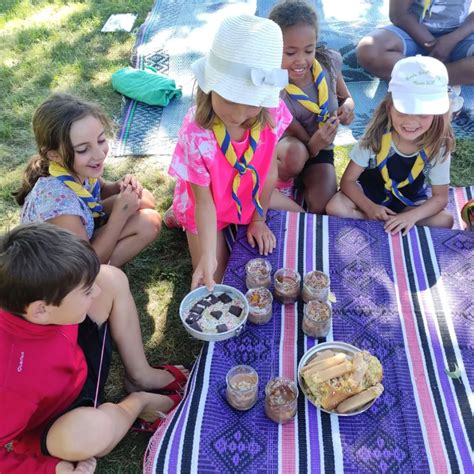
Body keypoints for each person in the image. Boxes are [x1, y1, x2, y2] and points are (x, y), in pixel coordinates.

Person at [0, 223, 188, 473]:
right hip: (59, 418)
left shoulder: (37, 305)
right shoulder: (9, 383)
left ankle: (140, 375)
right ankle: (138, 403)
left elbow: (98, 285)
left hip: (72, 357)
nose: (95, 291)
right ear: (40, 309)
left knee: (110, 277)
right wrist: (51, 469)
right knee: (86, 436)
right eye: (87, 291)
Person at [168, 14, 299, 290]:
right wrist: (207, 256)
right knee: (218, 280)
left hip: (247, 195)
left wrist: (259, 219)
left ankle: (183, 214)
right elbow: (203, 203)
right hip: (208, 206)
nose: (239, 115)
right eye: (229, 99)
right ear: (209, 86)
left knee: (300, 220)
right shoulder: (195, 133)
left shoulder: (271, 115)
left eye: (252, 103)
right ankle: (179, 214)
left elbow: (269, 170)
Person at [15, 93, 162, 267]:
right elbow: (86, 262)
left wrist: (120, 186)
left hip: (81, 237)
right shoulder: (58, 206)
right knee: (142, 222)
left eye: (101, 140)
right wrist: (120, 215)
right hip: (58, 272)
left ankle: (105, 267)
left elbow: (103, 189)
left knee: (146, 209)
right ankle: (102, 278)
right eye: (83, 149)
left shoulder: (74, 169)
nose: (99, 154)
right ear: (54, 155)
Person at [326, 55, 454, 235]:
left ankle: (392, 224)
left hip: (409, 204)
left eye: (423, 113)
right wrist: (369, 208)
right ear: (389, 107)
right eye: (403, 110)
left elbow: (440, 198)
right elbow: (348, 181)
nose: (411, 121)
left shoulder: (439, 146)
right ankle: (388, 225)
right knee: (336, 207)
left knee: (445, 220)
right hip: (369, 197)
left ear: (437, 113)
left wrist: (411, 217)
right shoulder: (374, 138)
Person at [268, 0, 355, 214]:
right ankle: (276, 184)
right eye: (290, 53)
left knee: (322, 206)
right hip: (287, 149)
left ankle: (302, 184)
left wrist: (348, 108)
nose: (301, 60)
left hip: (321, 148)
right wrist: (314, 144)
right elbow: (300, 140)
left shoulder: (328, 62)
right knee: (295, 156)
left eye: (309, 50)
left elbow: (346, 98)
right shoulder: (275, 87)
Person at [357, 0, 474, 87]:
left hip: (458, 36)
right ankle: (434, 81)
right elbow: (398, 14)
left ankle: (427, 80)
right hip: (411, 32)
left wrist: (452, 39)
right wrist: (434, 47)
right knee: (369, 50)